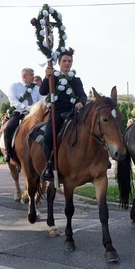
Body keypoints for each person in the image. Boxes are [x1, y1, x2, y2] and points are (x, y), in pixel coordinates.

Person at [40, 49, 87, 181]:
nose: (67, 63)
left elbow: (82, 94)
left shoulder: (76, 80)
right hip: (57, 113)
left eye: (69, 61)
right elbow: (43, 91)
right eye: (64, 61)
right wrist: (46, 77)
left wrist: (81, 102)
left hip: (74, 112)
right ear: (59, 62)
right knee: (48, 136)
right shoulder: (53, 77)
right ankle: (49, 165)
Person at [3, 68, 41, 162]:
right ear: (24, 76)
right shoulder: (15, 86)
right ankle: (7, 152)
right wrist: (25, 107)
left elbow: (42, 100)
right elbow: (12, 99)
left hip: (35, 114)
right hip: (19, 112)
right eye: (31, 75)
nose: (33, 77)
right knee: (9, 128)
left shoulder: (36, 88)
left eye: (33, 74)